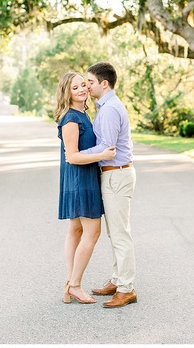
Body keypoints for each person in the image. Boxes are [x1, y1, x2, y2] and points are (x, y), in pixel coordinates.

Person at [54, 71, 116, 304]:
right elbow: (72, 157)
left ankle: (70, 283)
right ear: (66, 92)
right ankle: (75, 285)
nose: (81, 89)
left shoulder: (82, 115)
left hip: (83, 178)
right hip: (80, 180)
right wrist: (102, 154)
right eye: (75, 87)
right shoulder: (71, 119)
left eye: (83, 85)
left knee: (76, 231)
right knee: (92, 232)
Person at [81, 62, 138, 308]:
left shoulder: (110, 109)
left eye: (90, 82)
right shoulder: (106, 107)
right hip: (113, 174)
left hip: (117, 174)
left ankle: (127, 289)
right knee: (114, 232)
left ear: (104, 83)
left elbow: (108, 148)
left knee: (120, 234)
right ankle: (117, 280)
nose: (87, 86)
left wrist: (76, 153)